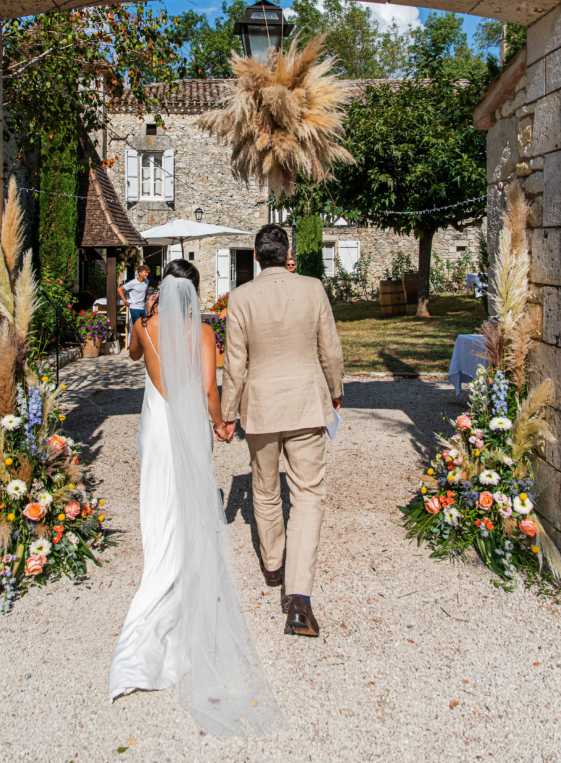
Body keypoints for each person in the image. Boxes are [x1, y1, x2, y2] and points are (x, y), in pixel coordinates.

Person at [109, 259, 285, 738]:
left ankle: (157, 570)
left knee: (158, 508)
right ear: (197, 292)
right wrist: (223, 423)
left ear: (164, 290)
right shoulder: (205, 335)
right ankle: (179, 582)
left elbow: (130, 356)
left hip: (154, 432)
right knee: (188, 510)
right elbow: (209, 389)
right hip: (186, 426)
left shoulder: (145, 326)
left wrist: (136, 315)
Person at [221, 224, 344, 639]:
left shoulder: (239, 298)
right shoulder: (313, 289)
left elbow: (234, 364)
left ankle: (273, 566)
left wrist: (227, 412)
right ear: (286, 253)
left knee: (265, 489)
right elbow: (330, 346)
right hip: (306, 403)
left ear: (257, 257)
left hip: (261, 407)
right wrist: (336, 388)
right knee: (308, 495)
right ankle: (299, 599)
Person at [117, 264, 150, 329]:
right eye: (145, 272)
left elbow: (145, 290)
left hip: (142, 308)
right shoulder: (132, 283)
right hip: (134, 308)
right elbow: (119, 289)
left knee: (144, 327)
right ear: (140, 273)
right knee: (137, 328)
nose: (147, 274)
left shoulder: (146, 281)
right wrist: (124, 301)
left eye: (147, 273)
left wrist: (145, 301)